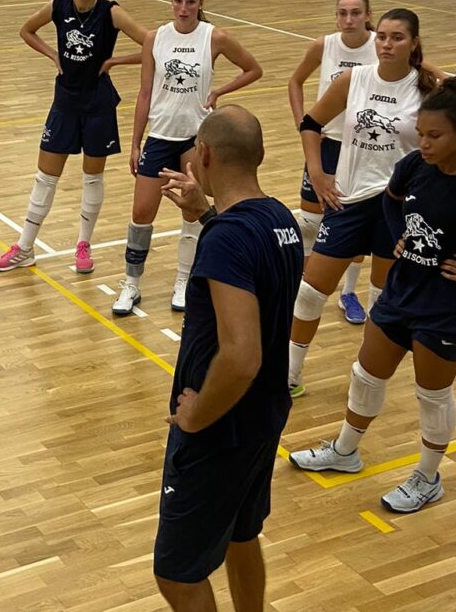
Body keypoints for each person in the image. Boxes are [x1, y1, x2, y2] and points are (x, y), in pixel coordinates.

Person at [288, 73, 456, 513]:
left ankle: (428, 477)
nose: (425, 143)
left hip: (450, 308)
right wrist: (397, 237)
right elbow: (392, 200)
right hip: (401, 291)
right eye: (421, 134)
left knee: (430, 396)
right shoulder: (416, 165)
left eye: (435, 136)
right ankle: (344, 450)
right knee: (365, 374)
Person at [152, 106, 303, 612]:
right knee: (241, 536)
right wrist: (204, 213)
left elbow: (241, 357)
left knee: (177, 575)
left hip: (220, 428)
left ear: (207, 154)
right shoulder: (279, 219)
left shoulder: (227, 239)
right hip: (263, 419)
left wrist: (197, 415)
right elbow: (246, 255)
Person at [287, 8, 437, 399]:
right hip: (349, 202)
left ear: (414, 43)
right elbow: (310, 124)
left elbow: (449, 143)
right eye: (383, 36)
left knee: (382, 301)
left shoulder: (428, 90)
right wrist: (317, 173)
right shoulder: (354, 79)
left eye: (397, 38)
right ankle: (289, 375)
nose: (387, 44)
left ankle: (365, 378)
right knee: (309, 291)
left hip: (398, 210)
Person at [0, 0, 148, 273]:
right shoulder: (59, 5)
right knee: (45, 177)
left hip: (98, 105)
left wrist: (116, 61)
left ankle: (83, 245)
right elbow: (27, 30)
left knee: (92, 177)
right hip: (65, 102)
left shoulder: (111, 12)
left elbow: (153, 44)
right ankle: (24, 247)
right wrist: (53, 55)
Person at [114, 0, 262, 316]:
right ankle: (131, 283)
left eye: (190, 1)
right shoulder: (155, 38)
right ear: (171, 2)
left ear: (201, 3)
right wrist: (135, 142)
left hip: (196, 139)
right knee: (141, 213)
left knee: (191, 211)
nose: (183, 8)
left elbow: (253, 69)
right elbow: (145, 93)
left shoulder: (215, 37)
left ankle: (184, 280)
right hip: (160, 136)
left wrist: (220, 92)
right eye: (178, 1)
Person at [286, 0, 377, 326]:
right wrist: (303, 123)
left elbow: (421, 69)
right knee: (310, 221)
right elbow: (295, 81)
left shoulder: (380, 46)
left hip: (362, 150)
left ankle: (349, 292)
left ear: (368, 15)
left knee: (354, 223)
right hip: (327, 144)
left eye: (355, 12)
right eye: (342, 13)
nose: (349, 19)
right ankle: (302, 286)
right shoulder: (324, 46)